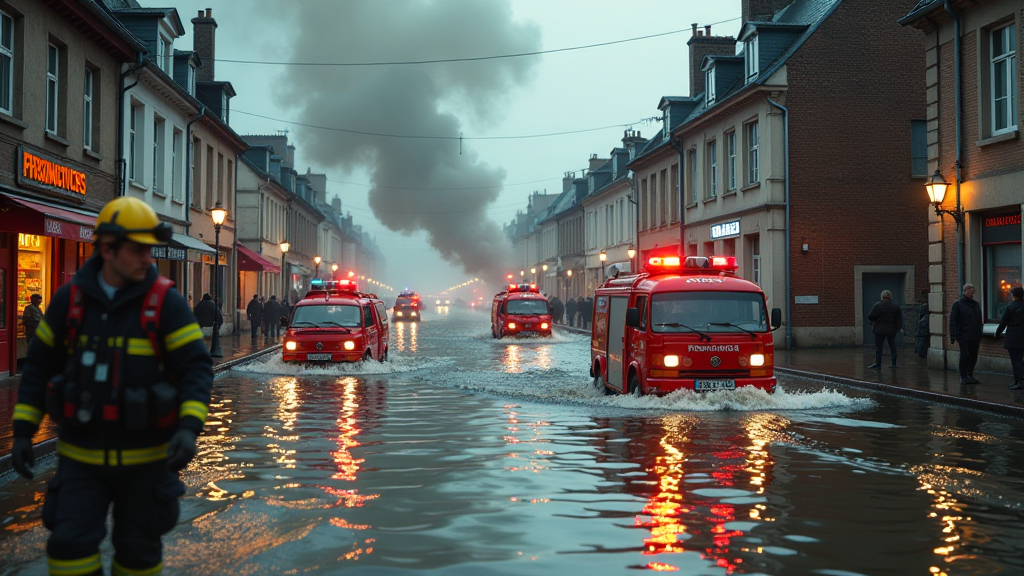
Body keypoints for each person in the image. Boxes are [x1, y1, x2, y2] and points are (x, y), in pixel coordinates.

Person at [8, 196, 212, 576]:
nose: (147, 258)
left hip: (146, 464)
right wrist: (22, 432)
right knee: (68, 551)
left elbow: (197, 370)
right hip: (80, 462)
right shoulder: (70, 302)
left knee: (138, 556)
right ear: (107, 248)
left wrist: (188, 428)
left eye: (149, 249)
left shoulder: (166, 303)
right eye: (137, 250)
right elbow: (38, 367)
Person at [950, 283, 984, 384]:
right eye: (968, 289)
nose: (971, 291)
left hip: (975, 334)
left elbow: (979, 319)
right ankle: (963, 376)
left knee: (973, 355)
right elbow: (953, 320)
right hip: (963, 335)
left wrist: (980, 330)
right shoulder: (958, 304)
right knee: (964, 354)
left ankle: (970, 374)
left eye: (972, 289)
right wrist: (953, 335)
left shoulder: (975, 304)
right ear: (964, 291)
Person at [995, 286, 1024, 390]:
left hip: (1014, 337)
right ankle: (1017, 380)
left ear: (1013, 295)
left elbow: (1003, 322)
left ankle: (1019, 381)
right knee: (1019, 360)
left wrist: (997, 333)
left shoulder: (1010, 307)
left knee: (1016, 361)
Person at [867, 290, 903, 369]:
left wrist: (874, 321)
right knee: (892, 345)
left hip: (879, 329)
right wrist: (899, 328)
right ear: (890, 296)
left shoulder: (878, 305)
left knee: (878, 347)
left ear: (882, 296)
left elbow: (870, 316)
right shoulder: (896, 307)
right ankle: (893, 363)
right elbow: (899, 319)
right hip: (891, 329)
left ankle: (878, 363)